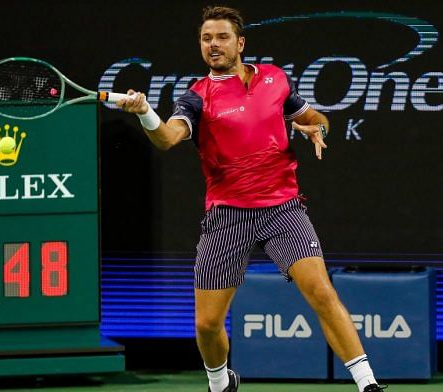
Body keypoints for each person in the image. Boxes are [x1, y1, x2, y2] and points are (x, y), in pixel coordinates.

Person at [116, 5, 386, 392]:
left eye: (222, 37)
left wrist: (311, 127)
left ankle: (368, 384)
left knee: (322, 291)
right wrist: (144, 112)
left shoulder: (274, 79)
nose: (214, 45)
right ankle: (220, 381)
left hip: (283, 209)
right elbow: (168, 137)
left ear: (240, 42)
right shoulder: (197, 97)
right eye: (206, 38)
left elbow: (315, 118)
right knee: (208, 325)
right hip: (228, 215)